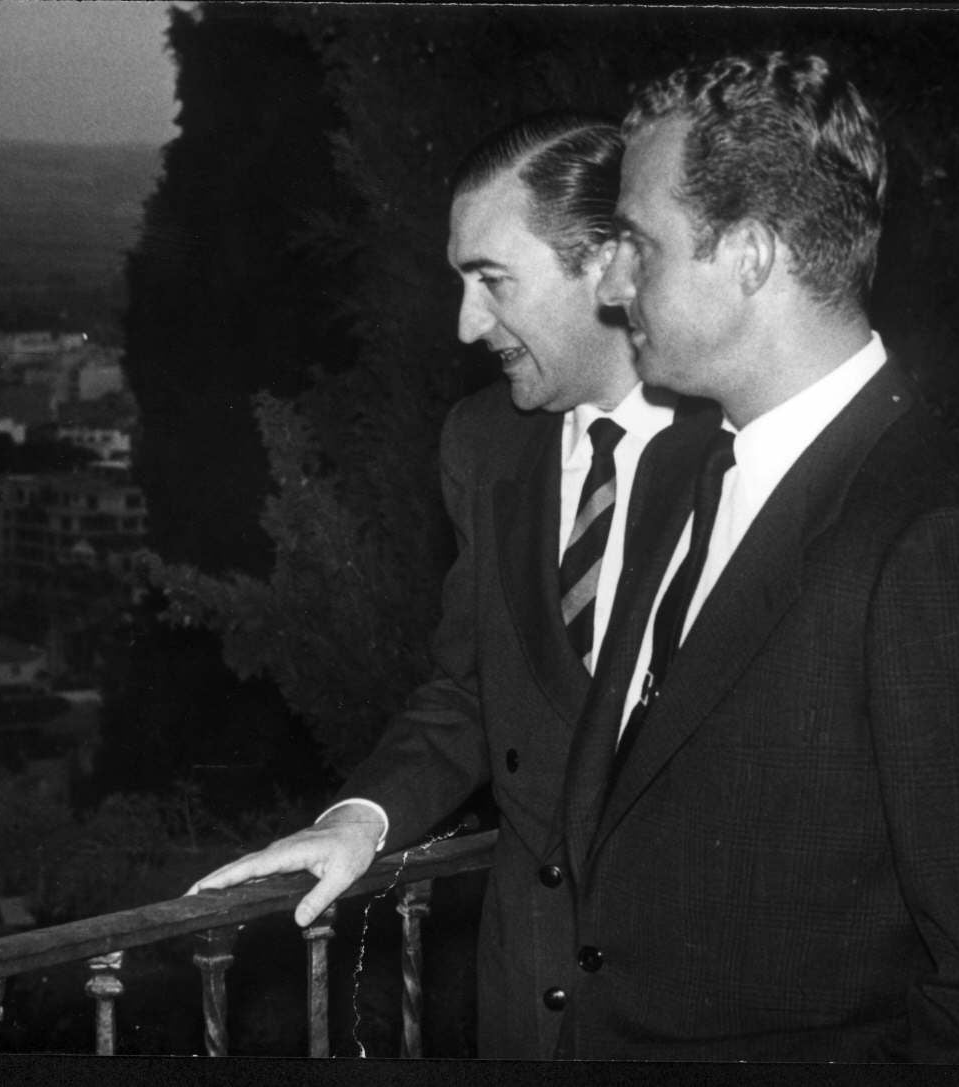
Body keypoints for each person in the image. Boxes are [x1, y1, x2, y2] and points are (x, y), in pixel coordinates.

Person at [568, 50, 959, 1061]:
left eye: (640, 243)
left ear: (753, 254)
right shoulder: (685, 473)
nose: (614, 282)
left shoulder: (939, 548)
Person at [188, 112, 699, 1058]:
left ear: (606, 266)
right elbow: (470, 689)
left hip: (701, 1010)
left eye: (492, 282)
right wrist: (359, 819)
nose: (467, 325)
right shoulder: (483, 442)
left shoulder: (741, 451)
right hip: (527, 1001)